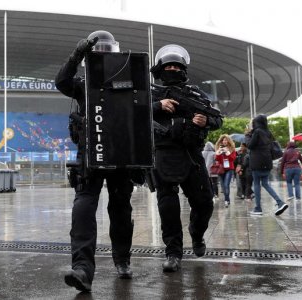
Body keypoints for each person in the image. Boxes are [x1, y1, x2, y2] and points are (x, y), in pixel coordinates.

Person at [55, 30, 136, 292]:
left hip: (121, 153)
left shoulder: (128, 79)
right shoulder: (82, 83)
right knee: (83, 209)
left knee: (121, 209)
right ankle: (82, 270)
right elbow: (61, 82)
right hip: (90, 154)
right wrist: (76, 55)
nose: (102, 54)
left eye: (105, 50)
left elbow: (145, 104)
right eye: (96, 51)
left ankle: (122, 259)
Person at [150, 44, 222, 272]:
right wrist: (157, 105)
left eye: (176, 66)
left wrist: (205, 122)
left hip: (191, 155)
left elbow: (217, 118)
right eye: (168, 66)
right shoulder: (150, 93)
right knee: (167, 208)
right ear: (161, 70)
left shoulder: (196, 94)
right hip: (163, 155)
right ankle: (173, 253)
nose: (172, 69)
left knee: (204, 203)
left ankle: (197, 232)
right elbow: (132, 113)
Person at [245, 115, 288, 216]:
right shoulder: (268, 132)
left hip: (257, 162)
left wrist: (247, 135)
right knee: (265, 183)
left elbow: (250, 145)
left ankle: (258, 208)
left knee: (256, 184)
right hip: (267, 162)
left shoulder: (257, 132)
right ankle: (280, 202)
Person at [215, 134, 237, 207]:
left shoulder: (232, 149)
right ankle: (227, 199)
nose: (225, 141)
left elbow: (232, 159)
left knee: (226, 185)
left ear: (228, 141)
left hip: (229, 169)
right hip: (221, 169)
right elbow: (217, 159)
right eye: (223, 140)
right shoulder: (219, 148)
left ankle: (226, 200)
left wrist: (227, 152)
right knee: (223, 186)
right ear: (221, 141)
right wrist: (219, 152)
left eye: (226, 140)